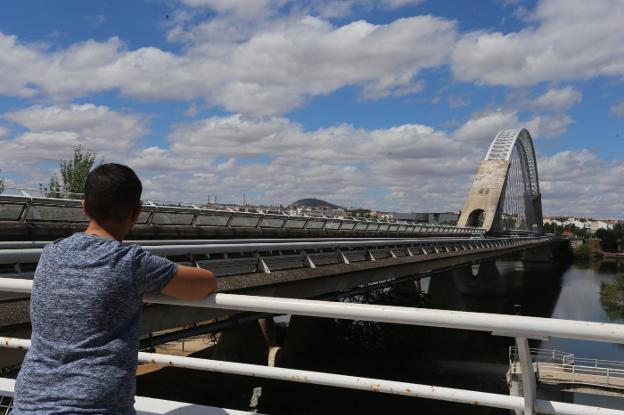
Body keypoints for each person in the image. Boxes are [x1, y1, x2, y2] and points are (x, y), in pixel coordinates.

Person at [12, 163, 216, 414]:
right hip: (97, 406)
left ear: (84, 206)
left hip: (29, 403)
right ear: (137, 212)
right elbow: (205, 284)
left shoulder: (51, 252)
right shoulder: (131, 262)